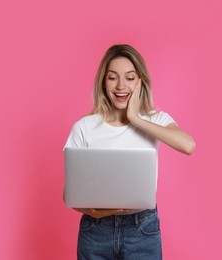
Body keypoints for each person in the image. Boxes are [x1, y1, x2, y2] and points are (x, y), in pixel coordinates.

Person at [64, 44, 196, 259]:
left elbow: (188, 145)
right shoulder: (84, 127)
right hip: (96, 230)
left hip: (142, 229)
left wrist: (136, 119)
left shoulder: (156, 120)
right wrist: (90, 210)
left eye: (130, 77)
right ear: (103, 82)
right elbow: (69, 194)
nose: (121, 86)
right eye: (112, 77)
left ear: (140, 82)